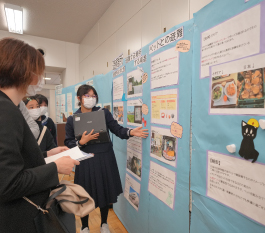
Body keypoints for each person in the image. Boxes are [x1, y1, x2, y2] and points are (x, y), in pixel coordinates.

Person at [0, 37, 80, 233]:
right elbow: (8, 184)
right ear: (24, 71)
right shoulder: (6, 111)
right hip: (21, 218)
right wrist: (55, 167)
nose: (39, 78)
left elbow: (14, 162)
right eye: (38, 71)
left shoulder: (8, 108)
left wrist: (47, 156)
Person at [65, 84, 149, 233]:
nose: (91, 99)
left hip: (105, 158)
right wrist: (81, 142)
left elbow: (116, 129)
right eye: (87, 96)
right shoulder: (73, 119)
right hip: (85, 161)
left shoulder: (103, 113)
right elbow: (68, 142)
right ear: (79, 98)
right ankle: (85, 226)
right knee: (85, 194)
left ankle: (104, 223)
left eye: (93, 96)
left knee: (104, 191)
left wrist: (130, 132)